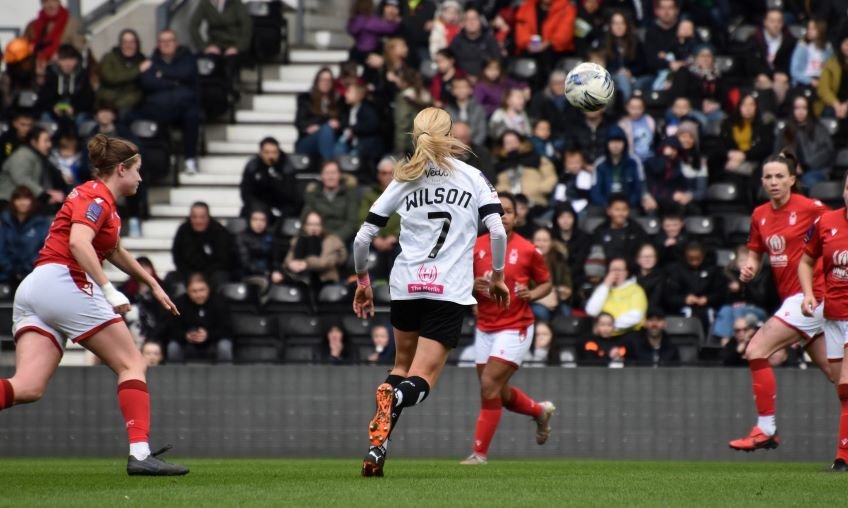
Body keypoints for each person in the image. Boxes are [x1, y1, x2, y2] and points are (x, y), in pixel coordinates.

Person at [0, 133, 187, 475]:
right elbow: (78, 243)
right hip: (62, 281)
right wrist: (107, 289)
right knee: (132, 363)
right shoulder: (97, 197)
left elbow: (114, 249)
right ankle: (141, 454)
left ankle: (142, 455)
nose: (141, 178)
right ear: (121, 169)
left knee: (26, 387)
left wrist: (152, 284)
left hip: (35, 287)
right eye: (137, 170)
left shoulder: (98, 200)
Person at [352, 107, 509, 477]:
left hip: (405, 286)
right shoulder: (471, 176)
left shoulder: (404, 176)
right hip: (447, 290)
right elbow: (498, 232)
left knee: (400, 367)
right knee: (421, 378)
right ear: (450, 133)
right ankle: (395, 399)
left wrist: (362, 284)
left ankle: (377, 450)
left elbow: (363, 238)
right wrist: (498, 276)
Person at [728, 151, 833, 453]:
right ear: (762, 181)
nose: (774, 182)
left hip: (812, 296)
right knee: (837, 376)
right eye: (768, 177)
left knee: (755, 349)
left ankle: (765, 429)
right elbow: (755, 252)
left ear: (792, 179)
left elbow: (840, 229)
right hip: (797, 301)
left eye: (779, 176)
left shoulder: (812, 208)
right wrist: (750, 267)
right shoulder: (760, 214)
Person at [461, 192, 554, 465]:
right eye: (497, 210)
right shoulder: (475, 246)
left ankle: (479, 454)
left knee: (489, 385)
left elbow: (546, 283)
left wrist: (532, 294)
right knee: (496, 391)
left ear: (516, 216)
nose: (502, 215)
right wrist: (471, 285)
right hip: (485, 326)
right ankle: (539, 412)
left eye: (508, 210)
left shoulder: (528, 249)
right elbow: (460, 282)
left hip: (516, 326)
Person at [798, 172, 848, 471]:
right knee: (839, 385)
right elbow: (805, 260)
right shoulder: (826, 222)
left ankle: (842, 457)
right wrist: (807, 294)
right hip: (832, 315)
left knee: (846, 384)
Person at [138, 29, 200, 174]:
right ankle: (165, 158)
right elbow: (147, 82)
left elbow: (185, 73)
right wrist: (174, 83)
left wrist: (161, 73)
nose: (166, 44)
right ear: (158, 44)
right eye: (162, 41)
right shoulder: (151, 60)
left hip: (184, 106)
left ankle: (190, 159)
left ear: (176, 43)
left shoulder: (187, 57)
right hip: (160, 107)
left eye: (169, 40)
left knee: (192, 116)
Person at [166, 272, 233, 364]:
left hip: (213, 342)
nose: (198, 294)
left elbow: (227, 328)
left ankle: (226, 376)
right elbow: (172, 328)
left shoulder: (219, 302)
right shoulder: (180, 303)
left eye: (202, 290)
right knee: (173, 347)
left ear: (208, 289)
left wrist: (208, 335)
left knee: (225, 346)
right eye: (194, 291)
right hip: (187, 343)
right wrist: (186, 336)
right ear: (187, 291)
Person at [662, 240, 725, 334]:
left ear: (703, 255)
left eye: (698, 258)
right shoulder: (678, 271)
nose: (695, 262)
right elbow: (670, 296)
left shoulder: (712, 270)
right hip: (684, 308)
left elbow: (720, 292)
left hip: (708, 307)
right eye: (691, 258)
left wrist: (707, 299)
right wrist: (685, 299)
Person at [0, 126, 66, 208]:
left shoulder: (39, 157)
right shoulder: (22, 155)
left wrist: (49, 193)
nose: (49, 145)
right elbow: (22, 179)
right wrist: (44, 195)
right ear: (34, 142)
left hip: (24, 200)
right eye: (46, 141)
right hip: (7, 201)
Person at [171, 201, 233, 287]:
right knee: (171, 279)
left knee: (221, 278)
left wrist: (203, 275)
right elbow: (177, 255)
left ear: (208, 217)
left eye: (202, 217)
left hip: (212, 273)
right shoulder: (183, 230)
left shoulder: (219, 232)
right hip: (188, 273)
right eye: (194, 217)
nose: (198, 221)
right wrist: (191, 274)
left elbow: (223, 260)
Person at [777, 94, 834, 187]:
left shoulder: (820, 129)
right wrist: (791, 167)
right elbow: (778, 153)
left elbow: (827, 152)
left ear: (809, 110)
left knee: (807, 182)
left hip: (816, 170)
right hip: (789, 171)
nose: (800, 111)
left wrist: (805, 166)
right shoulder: (784, 131)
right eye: (797, 108)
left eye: (804, 108)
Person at [358, 157, 401, 281]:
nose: (388, 176)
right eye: (384, 173)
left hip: (398, 240)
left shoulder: (405, 195)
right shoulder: (369, 196)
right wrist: (375, 238)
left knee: (405, 252)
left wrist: (396, 236)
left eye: (391, 173)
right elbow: (362, 219)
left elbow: (409, 219)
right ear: (378, 175)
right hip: (374, 240)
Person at [0, 187, 50, 288]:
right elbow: (1, 248)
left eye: (26, 199)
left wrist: (27, 267)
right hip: (6, 277)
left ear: (32, 201)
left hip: (33, 276)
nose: (22, 203)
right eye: (18, 199)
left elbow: (44, 248)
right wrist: (10, 268)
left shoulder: (42, 223)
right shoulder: (4, 222)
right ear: (13, 201)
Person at [239, 137, 300, 220]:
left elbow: (291, 195)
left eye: (274, 153)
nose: (271, 156)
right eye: (267, 153)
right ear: (260, 152)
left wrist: (275, 180)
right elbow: (246, 192)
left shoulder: (287, 167)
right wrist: (259, 207)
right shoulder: (253, 167)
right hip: (258, 205)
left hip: (281, 206)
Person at [585, 257, 647, 337]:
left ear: (626, 273)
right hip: (603, 335)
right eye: (613, 270)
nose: (616, 273)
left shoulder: (636, 290)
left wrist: (609, 326)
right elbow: (591, 311)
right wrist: (606, 285)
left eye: (620, 270)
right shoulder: (602, 289)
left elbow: (637, 315)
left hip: (628, 334)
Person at [283, 211, 348, 288]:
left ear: (322, 226)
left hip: (324, 282)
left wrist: (307, 264)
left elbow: (325, 263)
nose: (313, 228)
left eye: (317, 224)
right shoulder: (299, 240)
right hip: (299, 280)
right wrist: (291, 264)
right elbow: (288, 260)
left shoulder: (332, 241)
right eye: (310, 224)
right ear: (304, 226)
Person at [37, 44, 94, 129]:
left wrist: (74, 108)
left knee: (83, 119)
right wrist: (53, 108)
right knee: (45, 117)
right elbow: (44, 97)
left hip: (75, 112)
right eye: (63, 59)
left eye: (71, 59)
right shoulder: (51, 75)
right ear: (58, 61)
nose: (68, 64)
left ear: (77, 61)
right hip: (54, 111)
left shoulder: (82, 76)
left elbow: (87, 98)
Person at [300, 160, 359, 242]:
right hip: (317, 238)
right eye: (327, 173)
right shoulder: (313, 194)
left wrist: (335, 239)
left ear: (340, 175)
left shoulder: (349, 195)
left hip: (342, 239)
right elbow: (305, 219)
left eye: (333, 173)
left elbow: (351, 223)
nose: (330, 177)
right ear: (321, 175)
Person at [589, 126, 643, 210]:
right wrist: (609, 207)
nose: (616, 145)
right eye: (612, 142)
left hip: (629, 208)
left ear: (624, 144)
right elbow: (596, 192)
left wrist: (626, 206)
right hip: (605, 208)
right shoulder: (599, 164)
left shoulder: (633, 162)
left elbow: (638, 189)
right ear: (607, 144)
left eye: (619, 142)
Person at [295, 68, 342, 161]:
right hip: (308, 140)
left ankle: (330, 168)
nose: (326, 83)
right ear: (317, 81)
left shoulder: (339, 101)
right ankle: (328, 165)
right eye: (322, 80)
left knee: (338, 147)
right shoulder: (306, 99)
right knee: (326, 128)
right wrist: (323, 124)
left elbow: (344, 121)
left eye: (328, 80)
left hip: (332, 139)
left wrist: (338, 125)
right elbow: (300, 123)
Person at [97, 29, 148, 115]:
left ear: (137, 44)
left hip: (129, 103)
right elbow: (111, 78)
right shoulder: (109, 57)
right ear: (120, 44)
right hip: (107, 103)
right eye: (125, 42)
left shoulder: (142, 60)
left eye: (132, 42)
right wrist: (138, 70)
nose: (128, 45)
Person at [531, 227, 572, 320]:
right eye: (538, 240)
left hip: (556, 298)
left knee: (566, 312)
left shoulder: (559, 259)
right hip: (533, 300)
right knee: (541, 312)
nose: (541, 244)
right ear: (532, 242)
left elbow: (567, 286)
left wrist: (559, 292)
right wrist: (542, 299)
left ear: (551, 243)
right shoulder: (526, 260)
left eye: (545, 241)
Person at [590, 194, 648, 260]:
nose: (621, 213)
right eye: (617, 209)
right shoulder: (599, 231)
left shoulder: (637, 230)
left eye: (624, 209)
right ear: (609, 211)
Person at [448, 5, 500, 78]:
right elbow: (450, 62)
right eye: (468, 19)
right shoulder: (457, 40)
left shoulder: (489, 39)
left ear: (480, 21)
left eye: (474, 18)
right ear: (463, 23)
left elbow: (497, 61)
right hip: (462, 81)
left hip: (486, 80)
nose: (471, 22)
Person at [235, 208, 275, 290]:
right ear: (249, 221)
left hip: (268, 274)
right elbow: (245, 262)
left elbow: (275, 259)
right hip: (248, 275)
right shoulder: (241, 237)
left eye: (262, 220)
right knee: (264, 282)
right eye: (255, 219)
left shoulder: (271, 237)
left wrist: (276, 272)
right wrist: (266, 273)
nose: (259, 223)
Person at [445, 77, 486, 148]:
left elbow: (482, 131)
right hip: (454, 147)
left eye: (464, 87)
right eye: (457, 87)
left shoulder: (478, 108)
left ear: (470, 90)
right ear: (453, 91)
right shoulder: (448, 109)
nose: (461, 90)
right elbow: (447, 131)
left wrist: (473, 146)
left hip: (474, 147)